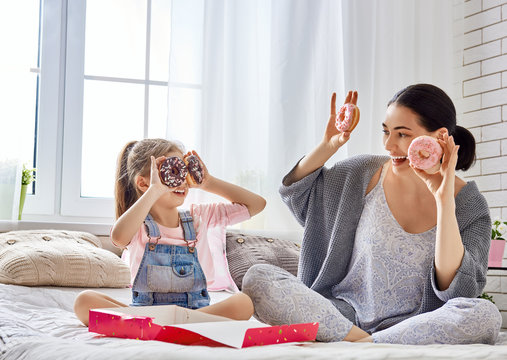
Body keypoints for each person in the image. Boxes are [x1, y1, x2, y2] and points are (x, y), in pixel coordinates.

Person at [241, 84, 502, 345]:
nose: (390, 144)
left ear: (439, 136)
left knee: (485, 315)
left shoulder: (470, 205)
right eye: (386, 131)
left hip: (415, 325)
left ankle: (365, 343)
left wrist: (444, 200)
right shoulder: (362, 173)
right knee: (258, 277)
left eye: (402, 134)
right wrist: (327, 146)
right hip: (341, 314)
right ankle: (363, 341)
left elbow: (458, 290)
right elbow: (295, 193)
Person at [74, 138, 265, 326]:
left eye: (184, 171)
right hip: (147, 313)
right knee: (85, 301)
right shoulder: (139, 225)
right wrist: (154, 190)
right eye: (172, 171)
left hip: (194, 313)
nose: (181, 181)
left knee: (243, 303)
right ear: (143, 183)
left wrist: (208, 182)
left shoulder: (200, 217)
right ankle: (177, 328)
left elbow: (257, 204)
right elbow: (118, 237)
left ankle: (159, 328)